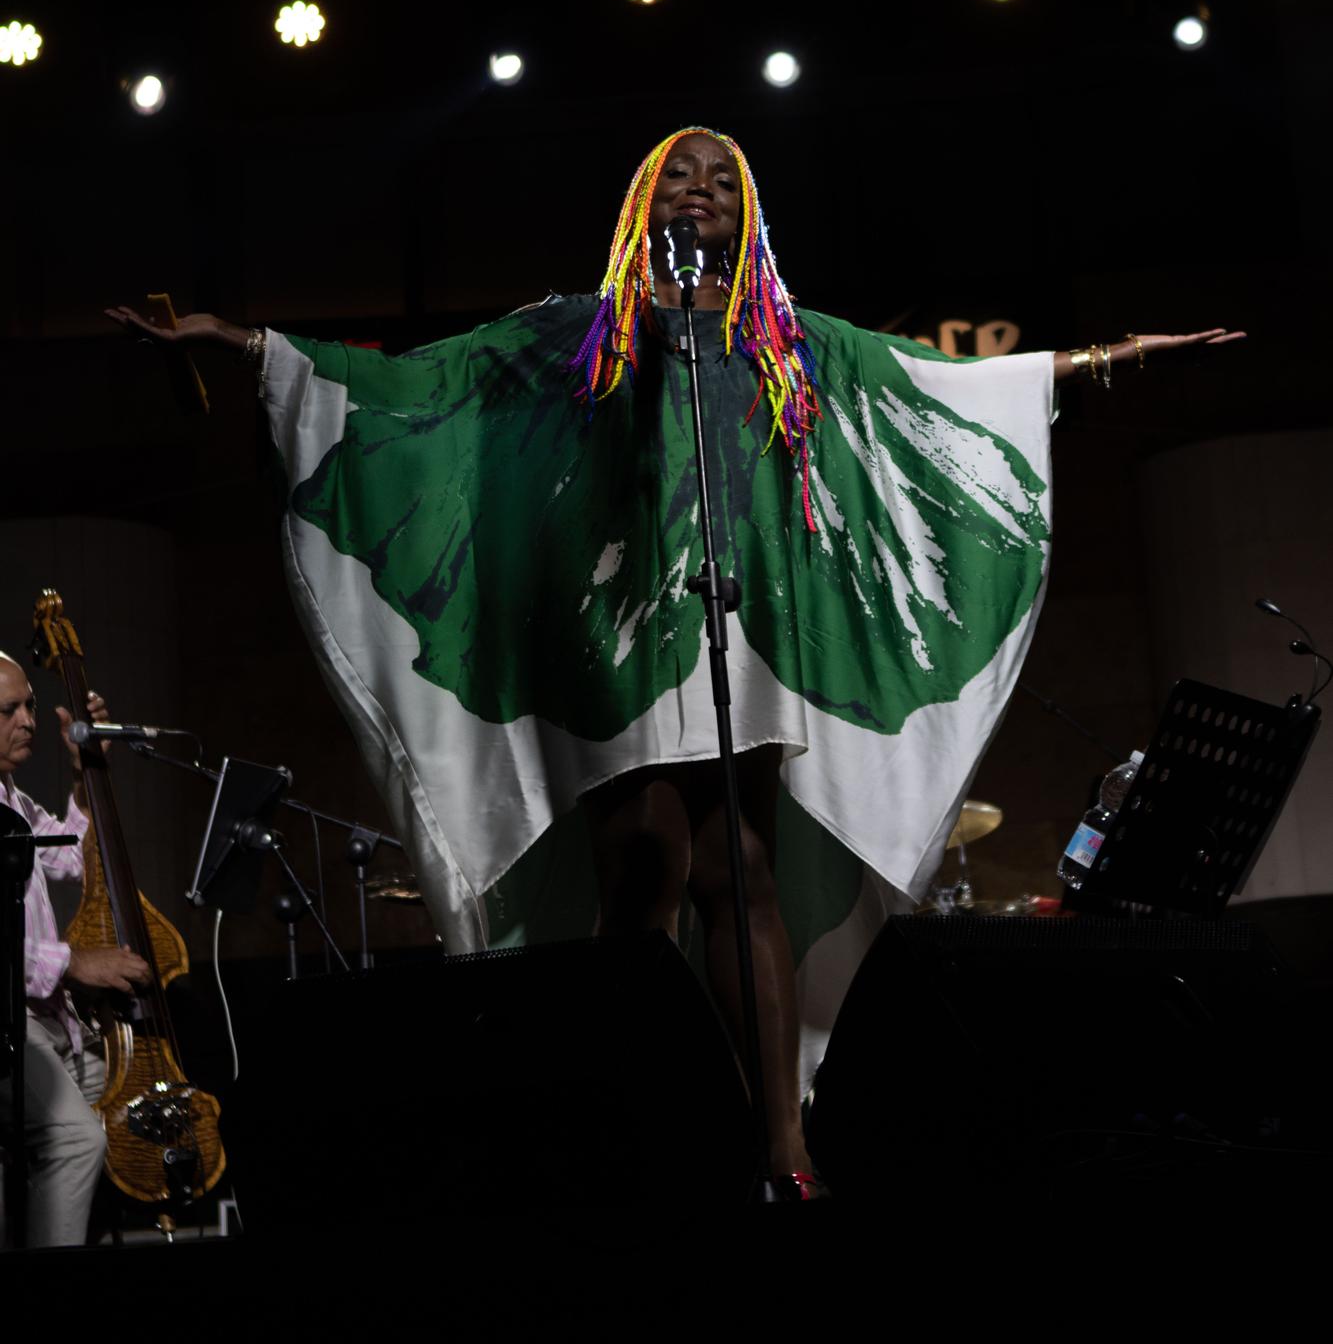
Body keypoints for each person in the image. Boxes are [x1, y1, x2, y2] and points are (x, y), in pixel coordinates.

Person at [107, 126, 1242, 1194]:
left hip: (734, 634)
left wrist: (1112, 356)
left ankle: (782, 1137)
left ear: (746, 209)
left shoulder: (786, 336)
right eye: (679, 174)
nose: (699, 187)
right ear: (642, 202)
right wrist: (248, 345)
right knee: (642, 859)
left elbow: (930, 384)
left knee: (733, 862)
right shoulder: (572, 332)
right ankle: (635, 1122)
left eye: (720, 178)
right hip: (617, 634)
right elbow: (427, 384)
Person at [0, 655, 151, 1248]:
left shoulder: (13, 801)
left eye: (30, 705)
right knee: (74, 1137)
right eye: (8, 710)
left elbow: (75, 860)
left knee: (130, 1107)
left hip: (46, 1016)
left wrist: (83, 774)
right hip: (9, 1020)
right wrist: (75, 961)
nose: (28, 721)